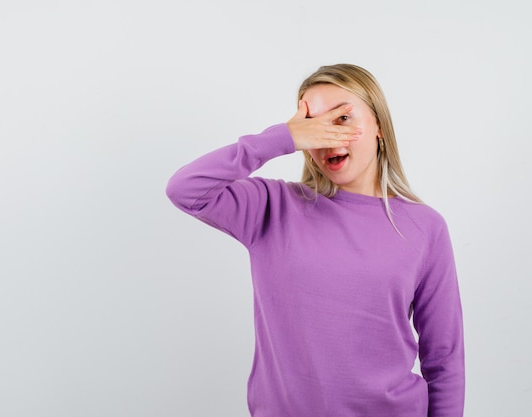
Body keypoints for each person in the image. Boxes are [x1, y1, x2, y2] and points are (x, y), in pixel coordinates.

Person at [166, 64, 464, 417]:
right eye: (312, 125)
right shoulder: (270, 207)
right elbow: (186, 189)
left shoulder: (424, 227)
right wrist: (283, 138)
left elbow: (443, 358)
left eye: (341, 119)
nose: (326, 138)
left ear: (379, 126)